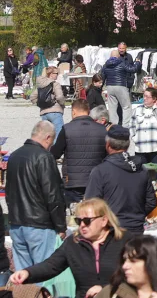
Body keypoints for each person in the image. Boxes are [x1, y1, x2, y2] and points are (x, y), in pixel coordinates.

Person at [11, 198, 132, 298]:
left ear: (104, 220)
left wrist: (106, 290)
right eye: (78, 221)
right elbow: (51, 265)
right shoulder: (73, 243)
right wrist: (27, 273)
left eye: (87, 221)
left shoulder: (125, 241)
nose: (82, 225)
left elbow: (139, 275)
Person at [7, 120, 66, 270]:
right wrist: (61, 226)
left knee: (23, 276)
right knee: (43, 274)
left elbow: (9, 191)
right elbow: (53, 195)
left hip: (17, 223)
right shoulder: (44, 157)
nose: (51, 146)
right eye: (51, 142)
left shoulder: (14, 155)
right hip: (39, 225)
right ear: (47, 137)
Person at [86, 126, 157, 234]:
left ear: (108, 145)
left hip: (111, 231)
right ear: (128, 145)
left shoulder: (100, 171)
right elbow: (151, 201)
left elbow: (91, 204)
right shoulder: (141, 170)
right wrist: (136, 216)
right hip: (136, 230)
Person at [93, 235, 157, 298]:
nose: (125, 266)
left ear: (151, 263)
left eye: (133, 261)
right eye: (124, 260)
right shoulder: (111, 293)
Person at [51, 99, 108, 204]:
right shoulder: (102, 129)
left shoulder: (67, 129)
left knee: (74, 215)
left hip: (72, 181)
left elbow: (55, 153)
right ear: (88, 111)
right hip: (96, 181)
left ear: (73, 111)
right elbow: (107, 155)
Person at [131, 87, 157, 183]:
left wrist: (155, 108)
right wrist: (134, 138)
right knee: (141, 174)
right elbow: (131, 125)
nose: (145, 98)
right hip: (140, 148)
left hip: (155, 148)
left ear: (154, 99)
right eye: (144, 96)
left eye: (147, 96)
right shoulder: (137, 109)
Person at [103, 49, 141, 127]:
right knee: (126, 106)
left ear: (110, 56)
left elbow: (103, 75)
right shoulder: (121, 62)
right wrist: (137, 62)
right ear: (118, 56)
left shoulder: (106, 64)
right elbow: (132, 69)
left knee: (112, 108)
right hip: (120, 85)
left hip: (109, 86)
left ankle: (113, 126)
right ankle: (125, 126)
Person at [32, 66, 67, 138]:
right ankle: (56, 149)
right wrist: (62, 103)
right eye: (56, 73)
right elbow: (59, 97)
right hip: (55, 112)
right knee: (59, 134)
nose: (57, 74)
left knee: (47, 135)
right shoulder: (55, 84)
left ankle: (48, 149)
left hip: (44, 113)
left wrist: (41, 103)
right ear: (51, 74)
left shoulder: (40, 85)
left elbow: (32, 97)